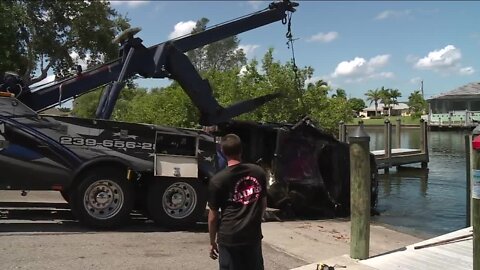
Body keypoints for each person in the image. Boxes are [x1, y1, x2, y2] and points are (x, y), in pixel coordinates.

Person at [207, 133, 267, 270]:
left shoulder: (218, 180)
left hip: (229, 237)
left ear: (223, 152)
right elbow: (263, 204)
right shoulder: (258, 172)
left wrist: (212, 242)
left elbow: (213, 217)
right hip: (252, 236)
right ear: (241, 150)